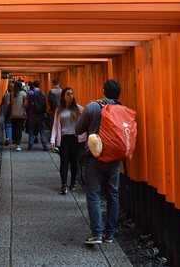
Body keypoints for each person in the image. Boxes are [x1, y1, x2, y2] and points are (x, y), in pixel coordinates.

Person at [75, 79, 123, 245]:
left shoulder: (92, 107)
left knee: (94, 194)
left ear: (103, 91)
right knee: (113, 195)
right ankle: (109, 234)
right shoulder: (122, 109)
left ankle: (96, 233)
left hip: (95, 157)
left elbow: (78, 130)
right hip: (115, 158)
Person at [50, 87, 87, 195]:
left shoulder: (78, 108)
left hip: (75, 138)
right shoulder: (59, 109)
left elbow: (86, 116)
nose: (71, 96)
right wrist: (53, 139)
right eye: (68, 94)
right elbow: (55, 125)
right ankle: (64, 184)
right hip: (64, 138)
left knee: (74, 161)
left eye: (72, 94)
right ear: (63, 96)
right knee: (64, 161)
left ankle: (73, 181)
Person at [26, 80, 48, 151]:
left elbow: (26, 103)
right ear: (40, 85)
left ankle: (30, 145)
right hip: (40, 114)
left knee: (31, 129)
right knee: (41, 129)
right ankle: (45, 145)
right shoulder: (42, 93)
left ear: (33, 85)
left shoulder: (30, 93)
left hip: (32, 113)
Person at [9, 80, 28, 151]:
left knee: (14, 128)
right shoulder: (23, 93)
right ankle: (18, 145)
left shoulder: (11, 93)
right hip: (21, 114)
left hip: (13, 114)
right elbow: (26, 104)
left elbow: (8, 103)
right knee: (19, 130)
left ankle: (14, 140)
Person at [2, 78, 15, 146]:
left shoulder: (6, 95)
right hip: (14, 112)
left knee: (7, 124)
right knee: (14, 125)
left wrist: (5, 111)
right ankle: (14, 138)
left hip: (8, 111)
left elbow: (4, 103)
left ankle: (7, 138)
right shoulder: (16, 95)